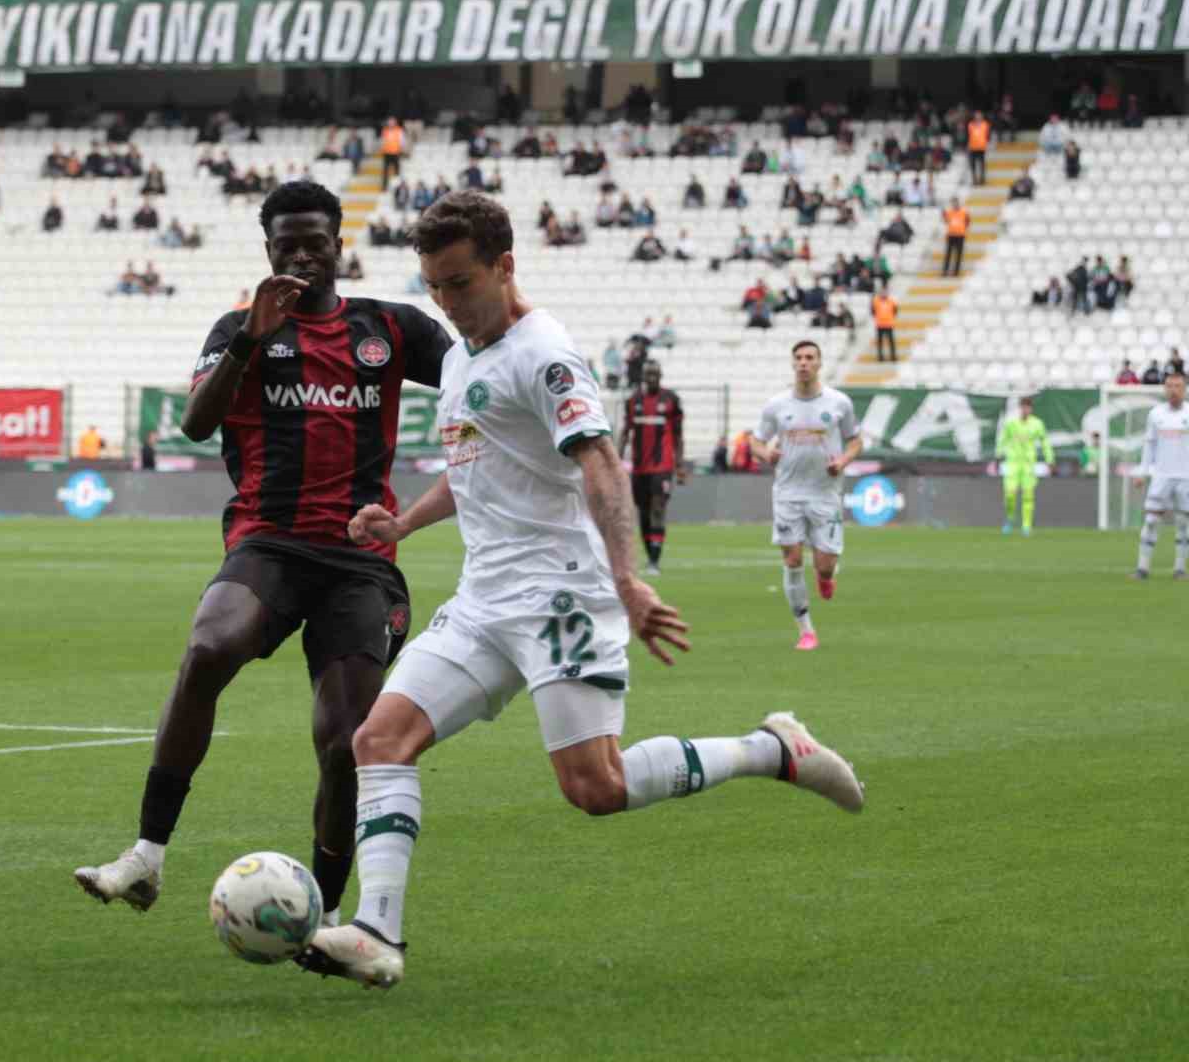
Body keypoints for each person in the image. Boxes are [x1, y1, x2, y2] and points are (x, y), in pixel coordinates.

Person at [300, 194, 863, 989]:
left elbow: (600, 461)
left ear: (506, 266)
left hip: (562, 592)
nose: (447, 304)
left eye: (459, 283)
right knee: (377, 741)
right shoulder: (462, 356)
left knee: (595, 787)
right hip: (483, 598)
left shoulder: (547, 355)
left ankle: (772, 750)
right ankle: (375, 930)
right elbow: (473, 465)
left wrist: (628, 577)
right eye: (434, 287)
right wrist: (404, 526)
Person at [73, 180, 453, 930]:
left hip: (358, 558)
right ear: (269, 250)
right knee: (211, 643)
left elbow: (481, 375)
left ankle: (325, 908)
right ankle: (147, 855)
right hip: (268, 541)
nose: (304, 254)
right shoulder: (239, 330)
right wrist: (251, 333)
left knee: (346, 741)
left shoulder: (390, 327)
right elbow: (193, 422)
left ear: (340, 242)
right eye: (288, 244)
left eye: (317, 240)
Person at [749, 342, 862, 652]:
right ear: (792, 363)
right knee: (793, 559)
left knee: (824, 565)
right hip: (787, 493)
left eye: (809, 358)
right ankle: (806, 630)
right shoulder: (776, 405)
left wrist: (842, 462)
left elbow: (855, 442)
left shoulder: (839, 402)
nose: (803, 363)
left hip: (825, 493)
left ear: (819, 363)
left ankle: (825, 577)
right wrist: (765, 453)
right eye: (798, 358)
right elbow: (755, 441)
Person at [619, 360, 685, 575]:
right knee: (644, 513)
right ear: (642, 376)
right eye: (648, 374)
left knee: (658, 509)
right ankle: (650, 558)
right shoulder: (633, 401)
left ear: (661, 375)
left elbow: (678, 435)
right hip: (639, 468)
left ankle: (655, 561)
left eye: (655, 373)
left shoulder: (671, 400)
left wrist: (680, 465)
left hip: (663, 466)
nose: (651, 377)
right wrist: (617, 462)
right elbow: (625, 433)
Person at [1132, 369, 1189, 579]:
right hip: (1161, 476)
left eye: (1178, 386)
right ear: (1165, 388)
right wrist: (1142, 471)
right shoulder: (1156, 414)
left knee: (1184, 524)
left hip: (1186, 477)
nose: (1173, 390)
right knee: (1151, 520)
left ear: (1184, 389)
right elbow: (1149, 446)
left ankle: (1180, 569)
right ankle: (1142, 568)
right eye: (1170, 386)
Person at [995, 394, 1055, 537]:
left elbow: (1045, 442)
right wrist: (998, 456)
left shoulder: (1037, 424)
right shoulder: (1011, 424)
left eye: (1028, 407)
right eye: (1023, 407)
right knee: (1009, 494)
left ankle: (1026, 526)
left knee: (1028, 495)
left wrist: (1050, 459)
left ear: (1031, 409)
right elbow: (1003, 440)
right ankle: (1010, 519)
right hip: (1013, 463)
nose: (1025, 410)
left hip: (1028, 464)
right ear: (1020, 408)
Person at [941, 197, 969, 275]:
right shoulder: (949, 212)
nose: (954, 204)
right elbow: (945, 220)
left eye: (955, 202)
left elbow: (967, 222)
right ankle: (945, 271)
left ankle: (956, 272)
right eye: (953, 203)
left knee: (958, 255)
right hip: (951, 235)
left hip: (960, 235)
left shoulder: (964, 212)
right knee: (948, 254)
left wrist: (962, 229)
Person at [872, 286, 899, 362]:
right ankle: (880, 357)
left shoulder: (891, 301)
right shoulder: (876, 301)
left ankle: (893, 356)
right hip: (879, 324)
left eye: (885, 292)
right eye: (882, 292)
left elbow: (895, 311)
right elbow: (873, 311)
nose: (883, 294)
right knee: (880, 342)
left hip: (889, 324)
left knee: (891, 342)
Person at [966, 109, 990, 185]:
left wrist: (986, 144)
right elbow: (968, 135)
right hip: (972, 147)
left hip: (981, 147)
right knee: (973, 164)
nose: (978, 116)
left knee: (982, 164)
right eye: (977, 115)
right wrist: (968, 145)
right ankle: (974, 179)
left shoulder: (985, 124)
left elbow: (987, 135)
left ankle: (982, 179)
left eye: (979, 115)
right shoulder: (970, 125)